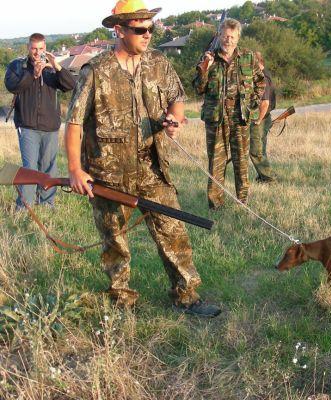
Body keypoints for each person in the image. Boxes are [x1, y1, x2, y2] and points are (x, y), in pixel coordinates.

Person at [64, 0, 221, 317]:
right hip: (108, 174)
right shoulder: (95, 71)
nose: (147, 34)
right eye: (140, 29)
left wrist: (174, 122)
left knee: (173, 232)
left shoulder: (159, 63)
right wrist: (75, 170)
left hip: (153, 168)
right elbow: (74, 123)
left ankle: (186, 296)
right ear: (120, 30)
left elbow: (177, 98)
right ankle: (122, 301)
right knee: (114, 242)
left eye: (151, 28)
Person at [193, 19, 265, 210]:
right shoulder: (208, 59)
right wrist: (204, 71)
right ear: (219, 36)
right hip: (216, 120)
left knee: (241, 163)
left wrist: (252, 104)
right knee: (216, 164)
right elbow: (198, 89)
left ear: (238, 37)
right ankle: (216, 205)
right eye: (225, 36)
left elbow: (260, 82)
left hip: (240, 118)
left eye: (232, 37)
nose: (229, 40)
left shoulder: (248, 58)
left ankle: (243, 203)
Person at [4, 33, 76, 210]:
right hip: (27, 125)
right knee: (30, 167)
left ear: (45, 48)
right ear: (28, 48)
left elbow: (71, 85)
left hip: (50, 126)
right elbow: (12, 86)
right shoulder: (18, 66)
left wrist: (56, 66)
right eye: (34, 48)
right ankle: (25, 206)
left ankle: (47, 204)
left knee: (49, 167)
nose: (37, 53)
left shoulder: (52, 69)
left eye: (41, 49)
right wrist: (33, 74)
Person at [249, 52, 277, 183]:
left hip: (261, 118)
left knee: (256, 151)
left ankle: (268, 178)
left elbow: (265, 103)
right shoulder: (266, 74)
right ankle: (262, 177)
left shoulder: (262, 78)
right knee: (261, 149)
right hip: (265, 117)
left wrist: (258, 120)